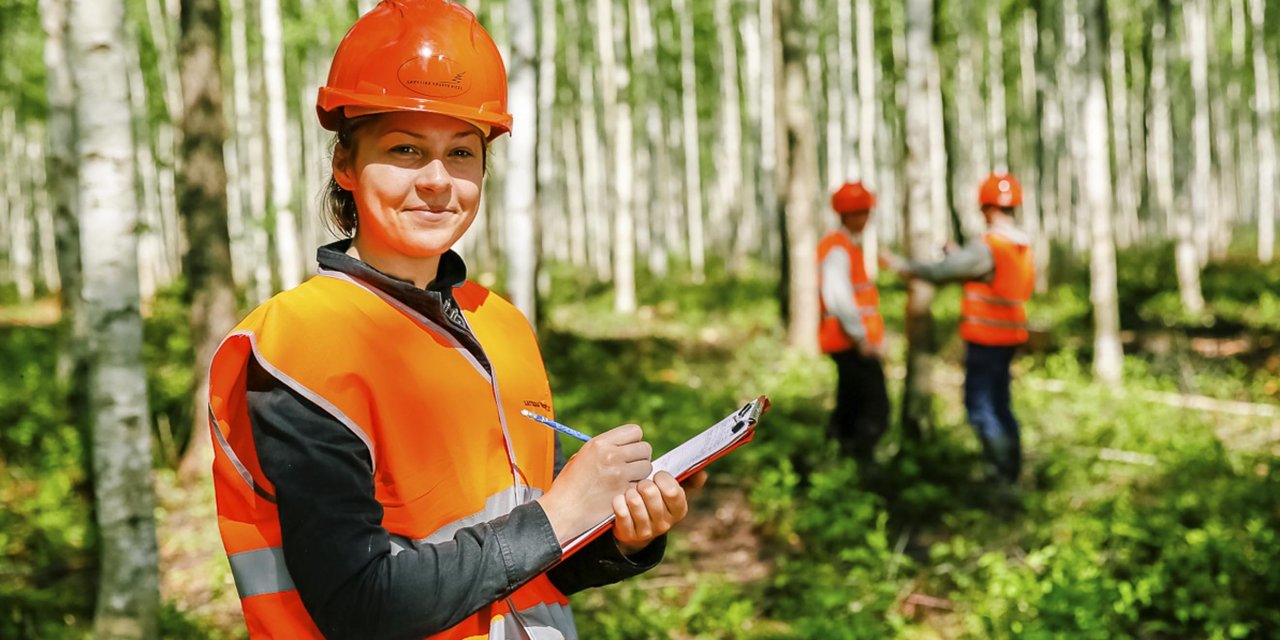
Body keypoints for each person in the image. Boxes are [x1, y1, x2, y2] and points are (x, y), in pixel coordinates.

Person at [206, 2, 702, 638]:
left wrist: (620, 532)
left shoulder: (502, 325)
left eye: (461, 152)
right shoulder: (296, 344)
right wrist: (557, 516)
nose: (438, 180)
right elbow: (360, 604)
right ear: (346, 165)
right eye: (406, 149)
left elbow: (527, 562)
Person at [882, 171, 1035, 483]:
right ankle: (1013, 468)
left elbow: (944, 272)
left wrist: (905, 267)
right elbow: (987, 276)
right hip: (1009, 337)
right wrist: (958, 258)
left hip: (986, 340)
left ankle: (999, 473)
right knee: (1001, 404)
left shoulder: (989, 246)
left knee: (980, 407)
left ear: (988, 208)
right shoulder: (1020, 246)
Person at [817, 182, 889, 462]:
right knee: (874, 408)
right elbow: (839, 298)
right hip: (850, 343)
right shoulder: (837, 249)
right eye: (862, 211)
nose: (867, 217)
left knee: (850, 402)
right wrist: (860, 339)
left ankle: (838, 455)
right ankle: (858, 461)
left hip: (852, 341)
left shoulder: (846, 246)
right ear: (848, 214)